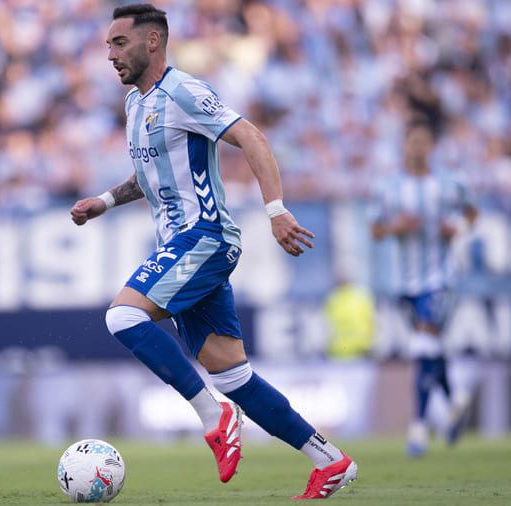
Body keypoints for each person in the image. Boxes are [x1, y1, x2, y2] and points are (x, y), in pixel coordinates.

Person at [70, 4, 356, 499]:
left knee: (123, 317)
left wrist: (276, 210)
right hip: (182, 245)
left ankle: (213, 416)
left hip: (205, 237)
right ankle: (330, 462)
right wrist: (107, 200)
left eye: (120, 43)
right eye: (108, 45)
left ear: (153, 41)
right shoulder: (136, 104)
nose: (110, 55)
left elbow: (252, 137)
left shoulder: (184, 92)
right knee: (234, 375)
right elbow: (151, 175)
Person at [369, 120, 478, 457]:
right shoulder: (389, 187)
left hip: (440, 277)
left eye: (423, 141)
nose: (417, 147)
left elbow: (471, 213)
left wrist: (457, 227)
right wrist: (395, 227)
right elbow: (375, 229)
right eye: (412, 141)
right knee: (428, 345)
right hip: (405, 281)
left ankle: (418, 426)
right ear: (405, 145)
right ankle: (455, 397)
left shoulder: (450, 182)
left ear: (431, 145)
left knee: (422, 341)